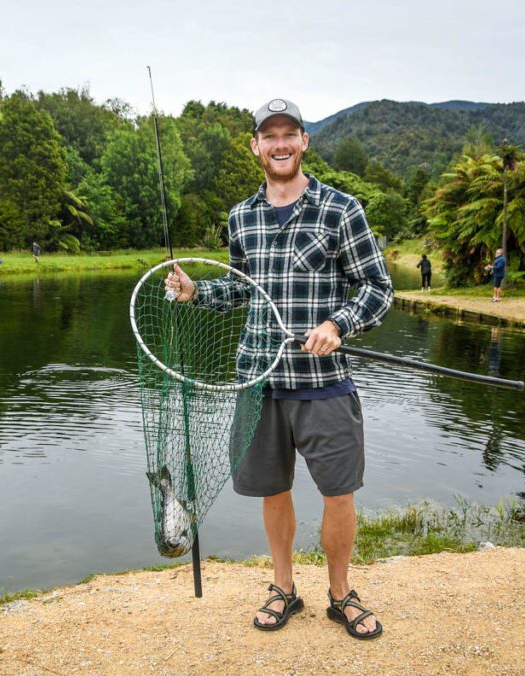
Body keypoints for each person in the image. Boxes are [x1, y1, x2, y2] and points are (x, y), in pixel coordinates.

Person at [165, 98, 392, 639]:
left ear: (304, 142)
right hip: (259, 380)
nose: (280, 143)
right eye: (270, 136)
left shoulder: (342, 209)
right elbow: (241, 289)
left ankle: (341, 595)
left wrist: (338, 324)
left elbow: (379, 289)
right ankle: (284, 589)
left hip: (324, 382)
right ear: (256, 146)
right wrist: (198, 291)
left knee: (339, 494)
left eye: (289, 133)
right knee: (273, 490)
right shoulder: (241, 216)